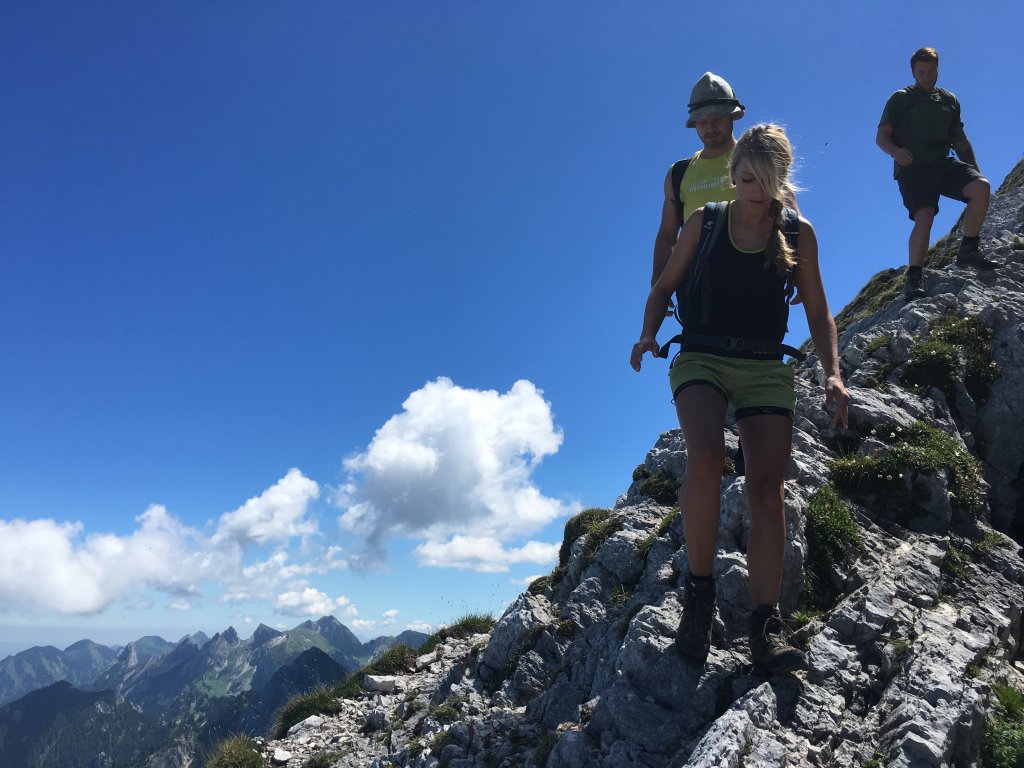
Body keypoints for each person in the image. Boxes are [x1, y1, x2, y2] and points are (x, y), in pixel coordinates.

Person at [630, 124, 850, 674]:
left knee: (768, 490)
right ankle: (698, 598)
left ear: (781, 181)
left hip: (765, 365)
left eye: (765, 181)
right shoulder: (704, 223)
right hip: (701, 356)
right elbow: (663, 286)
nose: (754, 190)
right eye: (746, 179)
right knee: (705, 457)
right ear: (731, 176)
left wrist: (833, 374)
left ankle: (765, 627)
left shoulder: (798, 234)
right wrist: (648, 333)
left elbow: (818, 310)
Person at [876, 47, 995, 300]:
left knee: (981, 188)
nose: (926, 77)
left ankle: (969, 250)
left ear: (937, 69)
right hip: (913, 167)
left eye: (930, 71)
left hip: (941, 163)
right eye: (921, 72)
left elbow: (960, 142)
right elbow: (882, 137)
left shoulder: (948, 100)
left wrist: (974, 171)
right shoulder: (901, 98)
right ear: (913, 72)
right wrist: (896, 151)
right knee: (925, 214)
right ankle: (914, 277)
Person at [651, 72, 744, 308]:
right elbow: (667, 233)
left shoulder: (756, 158)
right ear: (694, 124)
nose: (710, 127)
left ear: (732, 116)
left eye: (717, 118)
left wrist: (798, 267)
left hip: (758, 281)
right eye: (702, 121)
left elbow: (788, 212)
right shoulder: (679, 173)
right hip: (698, 293)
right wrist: (659, 281)